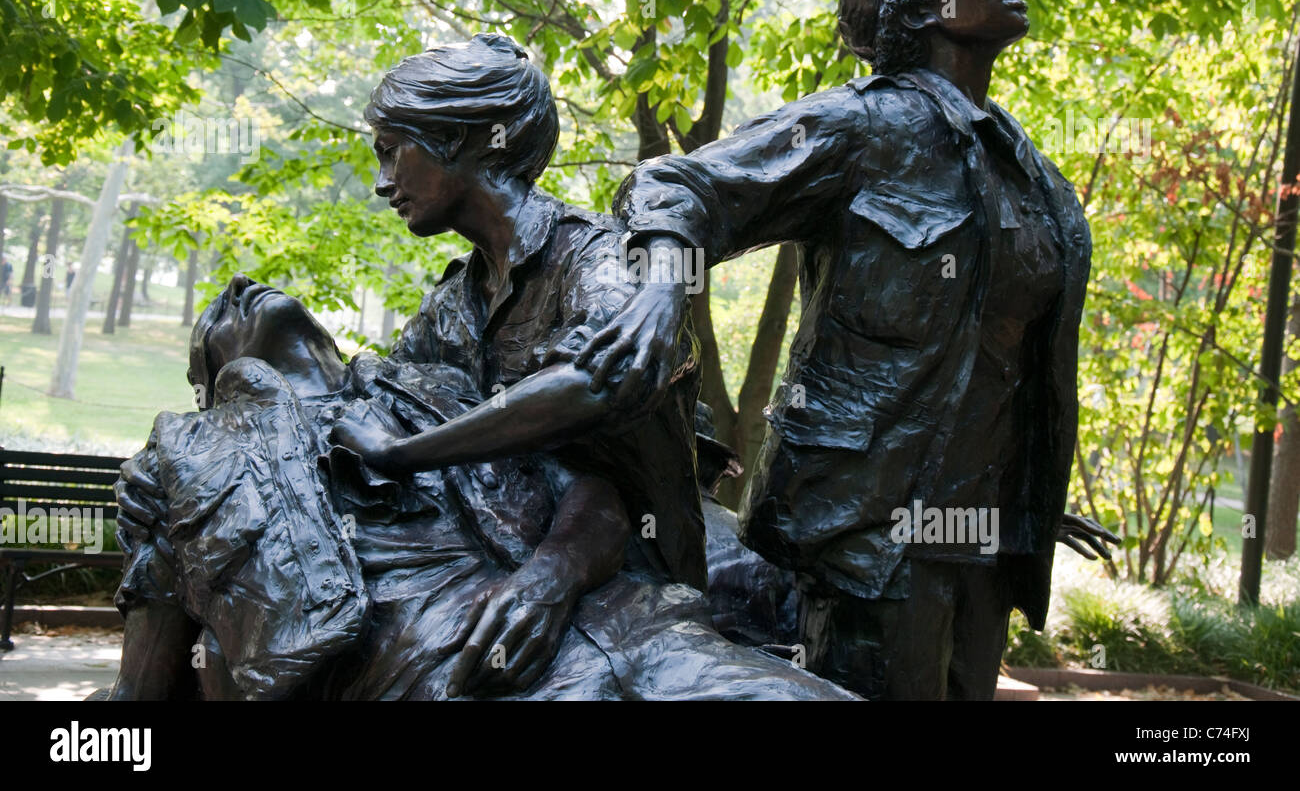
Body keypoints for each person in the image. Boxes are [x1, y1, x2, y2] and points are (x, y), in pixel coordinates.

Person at [108, 35, 856, 701]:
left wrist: (427, 471)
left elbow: (597, 395)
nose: (381, 180)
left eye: (391, 148)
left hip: (636, 580)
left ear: (461, 139)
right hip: (508, 607)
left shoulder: (595, 258)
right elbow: (399, 423)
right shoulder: (449, 312)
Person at [578, 0, 1109, 700]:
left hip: (983, 532)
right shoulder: (860, 127)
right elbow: (676, 190)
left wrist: (1035, 479)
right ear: (925, 7)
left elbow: (1002, 349)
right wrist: (659, 292)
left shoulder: (1022, 163)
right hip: (871, 530)